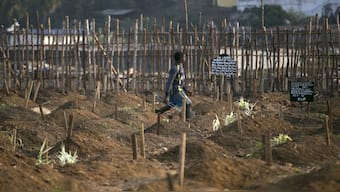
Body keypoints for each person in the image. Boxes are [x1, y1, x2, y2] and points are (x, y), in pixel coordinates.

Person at [155, 51, 194, 119]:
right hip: (176, 90)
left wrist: (186, 89)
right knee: (188, 103)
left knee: (173, 103)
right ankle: (188, 120)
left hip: (179, 89)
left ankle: (160, 111)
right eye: (184, 57)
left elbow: (180, 82)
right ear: (180, 58)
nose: (185, 58)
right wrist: (166, 94)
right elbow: (169, 82)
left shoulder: (180, 68)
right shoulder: (174, 69)